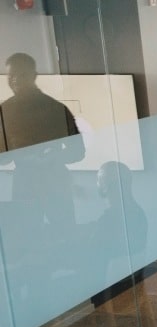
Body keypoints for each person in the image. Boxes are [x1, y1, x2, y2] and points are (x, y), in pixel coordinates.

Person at [0, 52, 84, 226]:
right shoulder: (4, 111)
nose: (15, 80)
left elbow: (78, 150)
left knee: (65, 232)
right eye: (11, 76)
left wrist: (53, 157)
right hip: (25, 184)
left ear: (34, 76)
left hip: (54, 182)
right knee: (29, 238)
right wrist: (19, 154)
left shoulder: (56, 109)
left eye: (21, 74)